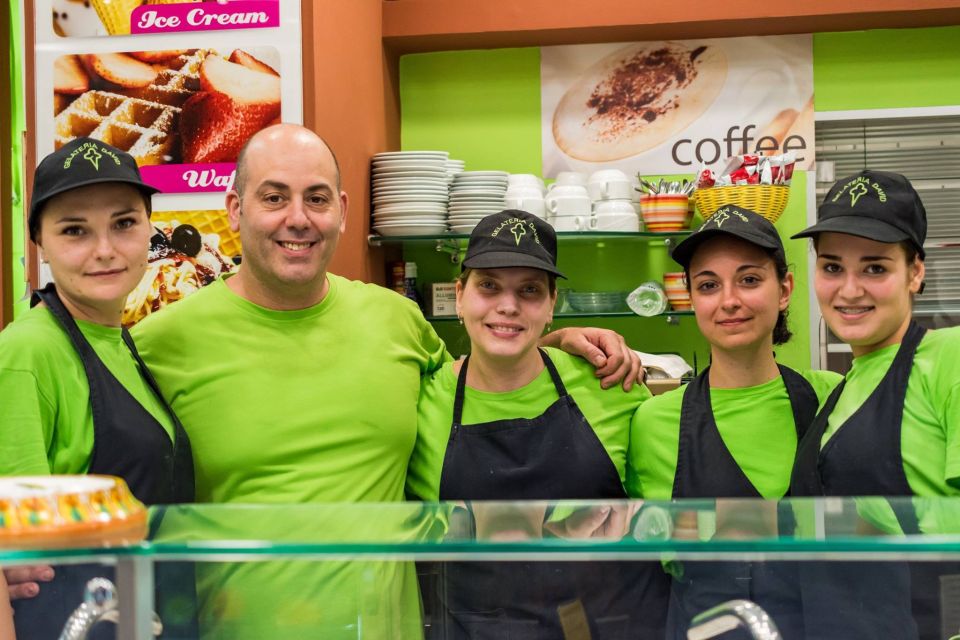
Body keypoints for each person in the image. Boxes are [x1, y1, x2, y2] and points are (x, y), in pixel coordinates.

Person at [129, 124, 642, 638]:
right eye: (274, 197)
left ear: (344, 212)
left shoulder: (396, 319)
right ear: (235, 209)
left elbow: (483, 374)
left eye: (317, 198)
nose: (298, 218)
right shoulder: (160, 342)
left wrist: (552, 343)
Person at [407, 210, 669, 639]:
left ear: (552, 306)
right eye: (488, 286)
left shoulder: (607, 383)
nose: (507, 305)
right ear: (459, 295)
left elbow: (657, 524)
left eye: (529, 290)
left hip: (598, 627)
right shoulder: (421, 403)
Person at [0, 138, 194, 638]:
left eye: (124, 223)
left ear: (149, 229)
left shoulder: (120, 340)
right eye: (74, 230)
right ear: (39, 243)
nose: (105, 250)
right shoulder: (27, 352)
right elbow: (17, 555)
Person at [628, 206, 841, 640]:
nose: (729, 301)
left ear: (785, 289)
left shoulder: (833, 396)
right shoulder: (653, 422)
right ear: (691, 297)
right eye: (709, 285)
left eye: (748, 280)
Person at [790, 170, 960, 640]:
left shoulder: (949, 358)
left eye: (875, 267)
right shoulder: (841, 388)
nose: (848, 290)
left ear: (916, 272)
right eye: (831, 267)